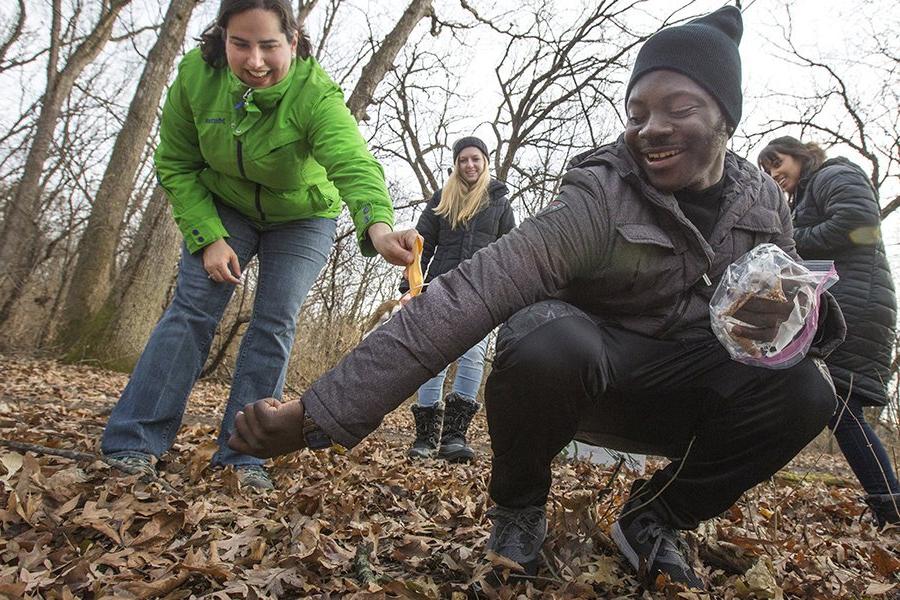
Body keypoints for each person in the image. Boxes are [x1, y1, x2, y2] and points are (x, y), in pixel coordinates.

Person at [228, 6, 846, 589]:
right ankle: (519, 507)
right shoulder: (600, 195)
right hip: (578, 380)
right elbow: (470, 293)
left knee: (808, 390)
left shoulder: (765, 204)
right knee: (550, 342)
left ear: (726, 119)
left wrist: (801, 321)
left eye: (678, 108)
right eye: (637, 113)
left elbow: (777, 314)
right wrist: (319, 414)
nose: (652, 130)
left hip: (683, 388)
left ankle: (656, 517)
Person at [100, 0, 418, 491]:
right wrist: (208, 238)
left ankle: (244, 455)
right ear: (221, 37)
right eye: (240, 44)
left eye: (269, 46)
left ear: (292, 42)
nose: (255, 61)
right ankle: (134, 443)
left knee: (275, 319)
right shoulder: (195, 78)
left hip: (303, 215)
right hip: (223, 204)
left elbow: (354, 164)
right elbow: (177, 164)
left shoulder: (315, 94)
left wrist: (378, 227)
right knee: (192, 309)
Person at [758, 136, 899, 527]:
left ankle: (891, 501)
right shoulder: (805, 198)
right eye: (767, 170)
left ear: (800, 155)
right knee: (829, 402)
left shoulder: (834, 173)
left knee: (839, 404)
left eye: (777, 162)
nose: (774, 174)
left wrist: (790, 244)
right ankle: (889, 499)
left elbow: (858, 222)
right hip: (842, 303)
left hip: (856, 306)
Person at [400, 137, 516, 462]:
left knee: (472, 358)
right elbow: (420, 246)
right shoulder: (441, 200)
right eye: (463, 160)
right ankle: (424, 439)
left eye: (475, 159)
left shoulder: (500, 203)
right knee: (433, 361)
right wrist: (410, 289)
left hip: (482, 294)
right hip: (438, 289)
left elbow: (511, 251)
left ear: (485, 161)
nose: (470, 165)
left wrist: (509, 293)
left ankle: (454, 438)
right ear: (456, 164)